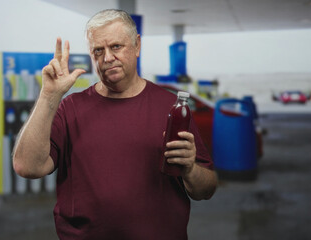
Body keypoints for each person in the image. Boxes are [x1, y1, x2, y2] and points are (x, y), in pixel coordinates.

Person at [13, 9, 217, 240]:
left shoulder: (171, 107)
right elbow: (27, 167)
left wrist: (190, 169)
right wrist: (49, 96)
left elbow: (206, 189)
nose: (107, 57)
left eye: (116, 47)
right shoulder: (71, 108)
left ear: (137, 45)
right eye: (98, 51)